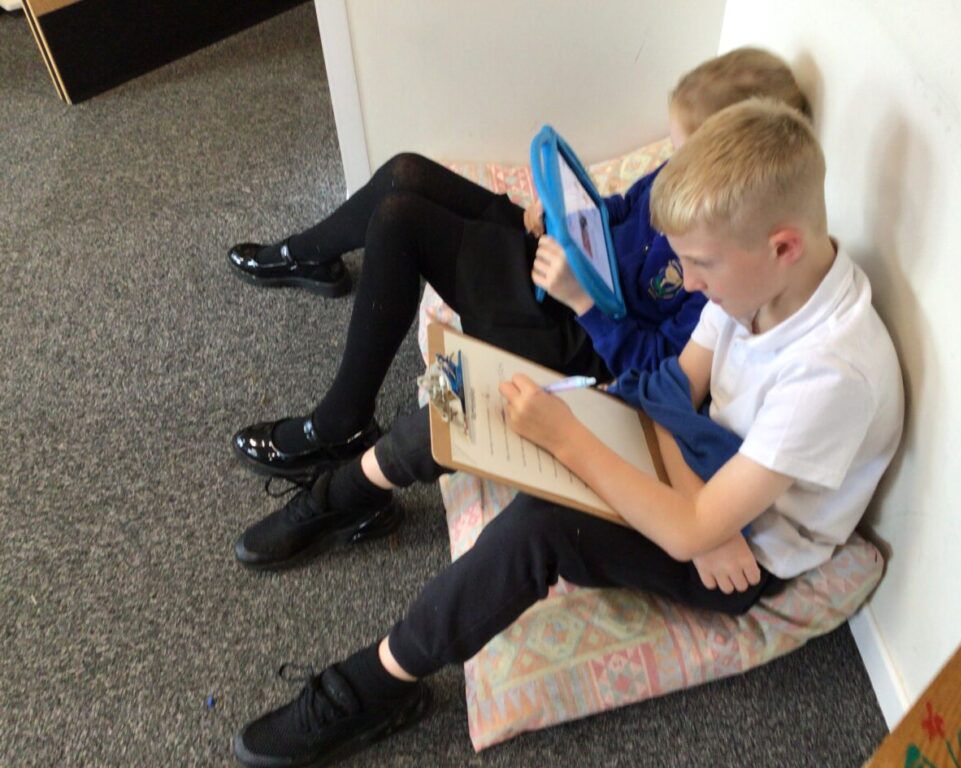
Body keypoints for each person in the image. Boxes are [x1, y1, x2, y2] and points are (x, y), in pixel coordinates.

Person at [231, 98, 904, 767]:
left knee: (540, 526)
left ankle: (373, 686)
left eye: (701, 265)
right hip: (703, 471)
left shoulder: (831, 375)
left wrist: (579, 443)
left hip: (741, 554)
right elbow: (671, 387)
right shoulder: (752, 280)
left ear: (782, 246)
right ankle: (347, 492)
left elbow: (692, 529)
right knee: (488, 393)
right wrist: (656, 451)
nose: (692, 283)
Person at [227, 48, 811, 479]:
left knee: (400, 220)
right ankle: (306, 255)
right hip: (567, 266)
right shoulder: (680, 181)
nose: (672, 165)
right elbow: (626, 206)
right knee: (408, 171)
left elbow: (659, 370)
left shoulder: (720, 274)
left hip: (580, 332)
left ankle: (341, 422)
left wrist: (582, 300)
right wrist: (564, 214)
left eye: (684, 154)